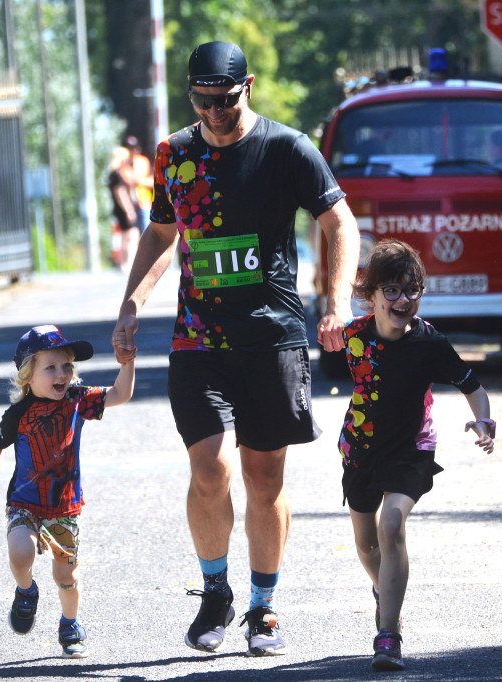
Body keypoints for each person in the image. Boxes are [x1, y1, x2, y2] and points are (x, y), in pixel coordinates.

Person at [111, 40, 359, 657]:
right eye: (201, 102)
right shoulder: (175, 153)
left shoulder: (286, 148)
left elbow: (339, 222)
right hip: (199, 339)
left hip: (272, 335)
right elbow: (164, 233)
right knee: (210, 469)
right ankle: (216, 591)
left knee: (263, 475)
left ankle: (264, 606)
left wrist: (338, 302)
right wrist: (132, 303)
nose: (214, 114)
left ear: (247, 86)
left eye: (224, 100)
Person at [338, 239, 494, 672]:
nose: (403, 299)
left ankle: (388, 635)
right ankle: (385, 593)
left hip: (412, 448)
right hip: (360, 448)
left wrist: (484, 421)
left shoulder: (429, 343)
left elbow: (474, 389)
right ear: (369, 296)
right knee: (367, 546)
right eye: (391, 290)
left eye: (412, 289)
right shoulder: (351, 337)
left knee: (392, 526)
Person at [0, 324, 135, 658]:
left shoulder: (78, 401)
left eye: (67, 366)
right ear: (28, 376)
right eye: (50, 367)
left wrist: (127, 362)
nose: (61, 373)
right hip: (25, 502)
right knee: (21, 553)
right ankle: (26, 591)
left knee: (67, 576)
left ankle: (70, 622)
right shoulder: (19, 413)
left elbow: (121, 394)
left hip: (65, 506)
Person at [107, 146, 140, 268]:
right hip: (123, 208)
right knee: (131, 235)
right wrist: (129, 210)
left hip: (117, 208)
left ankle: (124, 263)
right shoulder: (117, 174)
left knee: (126, 235)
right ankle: (127, 262)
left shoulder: (111, 174)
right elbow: (120, 193)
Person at [124, 134, 154, 231]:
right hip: (130, 205)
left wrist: (139, 181)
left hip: (143, 202)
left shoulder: (143, 161)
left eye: (134, 148)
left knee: (145, 231)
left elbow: (152, 181)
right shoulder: (124, 164)